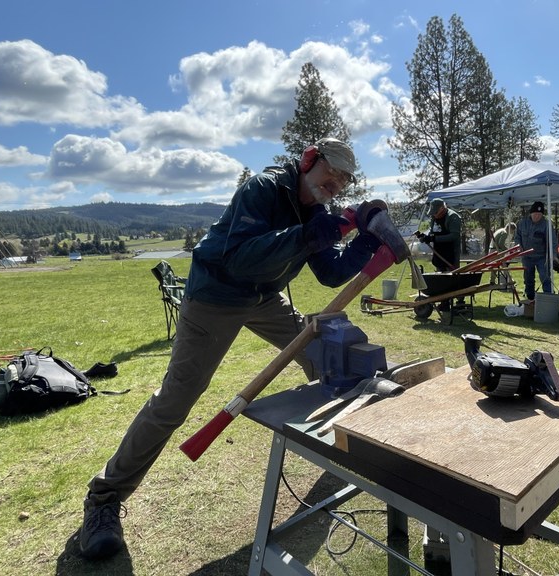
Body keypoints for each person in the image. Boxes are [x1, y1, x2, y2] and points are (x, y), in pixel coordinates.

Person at [78, 138, 384, 560]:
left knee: (326, 354)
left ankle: (355, 444)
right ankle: (104, 499)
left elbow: (331, 272)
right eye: (330, 171)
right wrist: (319, 231)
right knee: (176, 401)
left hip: (264, 297)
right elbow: (241, 259)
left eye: (344, 179)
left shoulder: (316, 211)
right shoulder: (263, 188)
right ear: (308, 161)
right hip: (216, 297)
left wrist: (366, 240)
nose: (336, 182)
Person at [514, 201, 558, 301]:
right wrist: (518, 246)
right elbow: (517, 237)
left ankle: (549, 299)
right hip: (526, 257)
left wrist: (554, 255)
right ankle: (530, 299)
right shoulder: (522, 223)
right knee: (528, 279)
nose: (537, 216)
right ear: (531, 213)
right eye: (535, 214)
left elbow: (553, 241)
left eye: (540, 214)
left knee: (545, 277)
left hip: (542, 257)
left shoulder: (547, 224)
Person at [416, 198, 462, 272]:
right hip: (438, 253)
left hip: (451, 254)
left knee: (451, 278)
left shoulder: (453, 217)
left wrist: (434, 238)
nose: (434, 215)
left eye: (435, 212)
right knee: (440, 277)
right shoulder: (434, 218)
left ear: (442, 208)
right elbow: (432, 231)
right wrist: (425, 237)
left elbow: (454, 236)